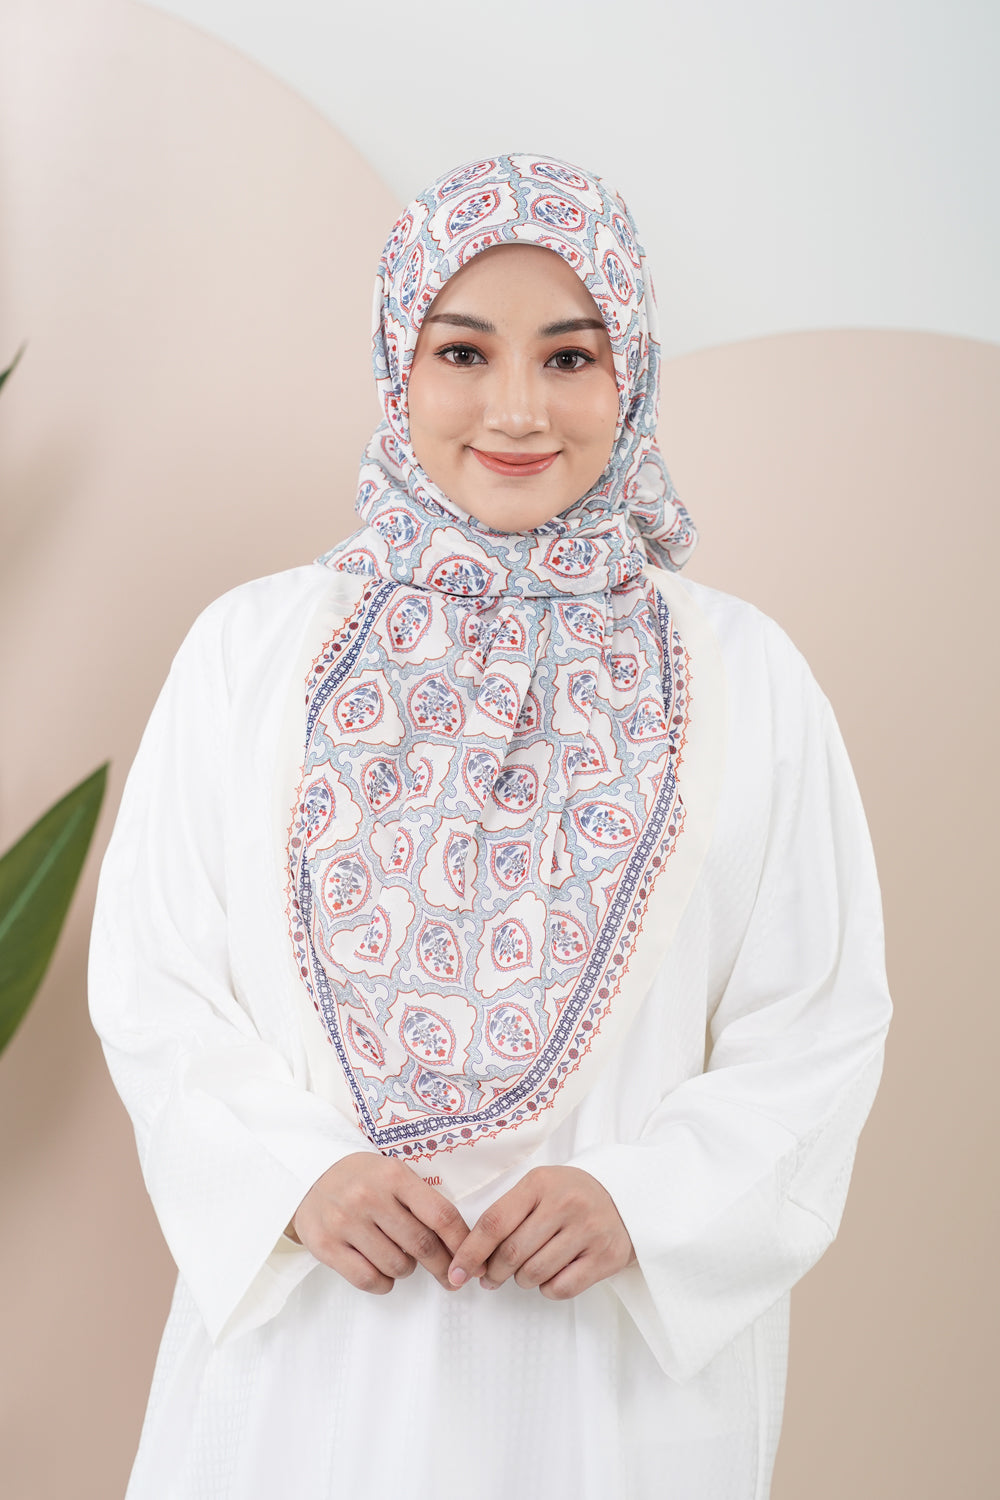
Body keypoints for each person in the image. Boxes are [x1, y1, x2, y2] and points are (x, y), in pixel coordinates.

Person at [89, 153, 892, 1500]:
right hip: (307, 1375)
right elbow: (154, 977)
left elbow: (817, 1017)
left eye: (570, 357)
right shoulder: (253, 649)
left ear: (632, 374)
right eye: (463, 351)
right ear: (397, 366)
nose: (517, 408)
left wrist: (646, 1202)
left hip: (605, 1387)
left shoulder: (746, 673)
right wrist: (293, 1177)